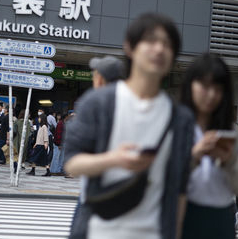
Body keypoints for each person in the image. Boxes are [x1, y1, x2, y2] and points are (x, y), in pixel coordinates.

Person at [63, 13, 194, 239]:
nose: (159, 49)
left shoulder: (180, 118)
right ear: (130, 47)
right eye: (151, 41)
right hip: (98, 231)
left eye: (167, 44)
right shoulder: (99, 103)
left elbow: (179, 188)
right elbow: (72, 164)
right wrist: (113, 159)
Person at [179, 53, 238, 239]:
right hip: (181, 215)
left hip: (221, 219)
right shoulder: (175, 127)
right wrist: (194, 155)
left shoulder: (233, 134)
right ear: (190, 85)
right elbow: (159, 178)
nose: (211, 94)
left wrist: (230, 162)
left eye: (218, 88)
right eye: (204, 86)